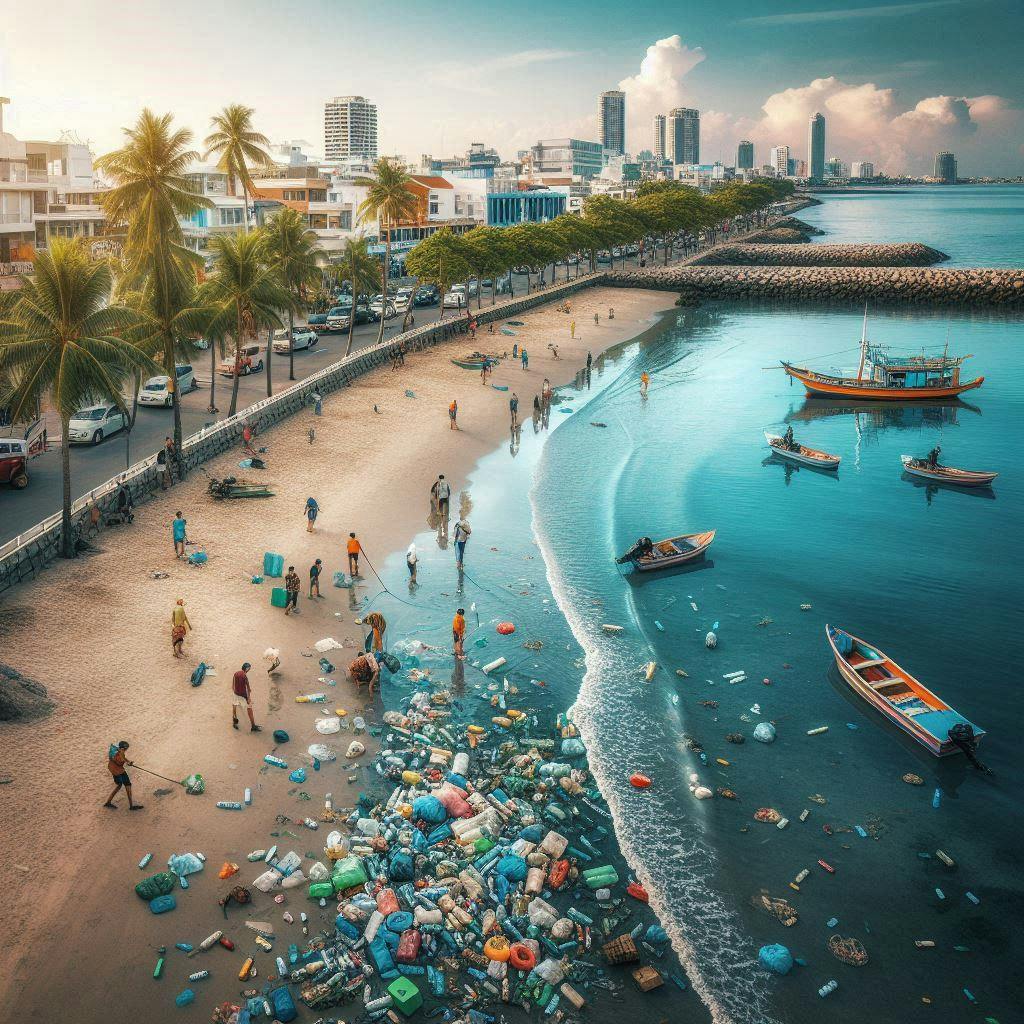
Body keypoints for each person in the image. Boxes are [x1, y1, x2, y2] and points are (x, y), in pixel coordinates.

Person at [103, 740, 143, 811]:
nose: (126, 750)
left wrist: (127, 761)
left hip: (113, 769)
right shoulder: (120, 754)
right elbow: (122, 759)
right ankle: (131, 806)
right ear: (122, 749)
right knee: (127, 785)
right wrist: (129, 762)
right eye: (125, 749)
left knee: (119, 785)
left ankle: (108, 802)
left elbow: (123, 759)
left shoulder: (116, 751)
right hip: (119, 771)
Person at [232, 662, 261, 732]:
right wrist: (248, 698)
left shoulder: (236, 673)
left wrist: (235, 692)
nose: (249, 669)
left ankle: (234, 721)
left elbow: (233, 685)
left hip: (235, 693)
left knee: (234, 705)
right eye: (249, 668)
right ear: (247, 669)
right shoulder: (244, 676)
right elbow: (248, 689)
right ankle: (253, 726)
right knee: (249, 708)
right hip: (243, 695)